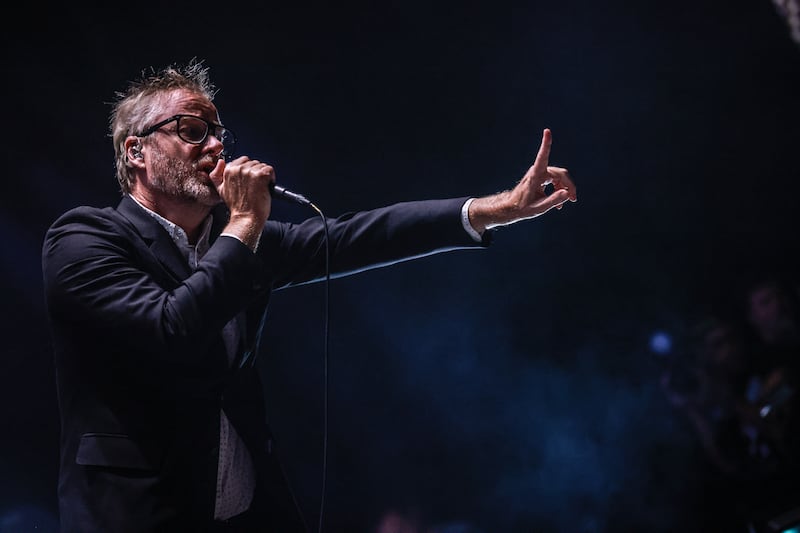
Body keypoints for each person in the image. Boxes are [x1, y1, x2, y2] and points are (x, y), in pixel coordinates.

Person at [41, 59, 577, 533]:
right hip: (141, 514)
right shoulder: (84, 239)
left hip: (246, 513)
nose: (214, 146)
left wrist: (492, 209)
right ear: (137, 151)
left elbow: (354, 236)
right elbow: (171, 329)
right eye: (192, 130)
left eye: (218, 133)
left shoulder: (239, 240)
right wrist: (246, 223)